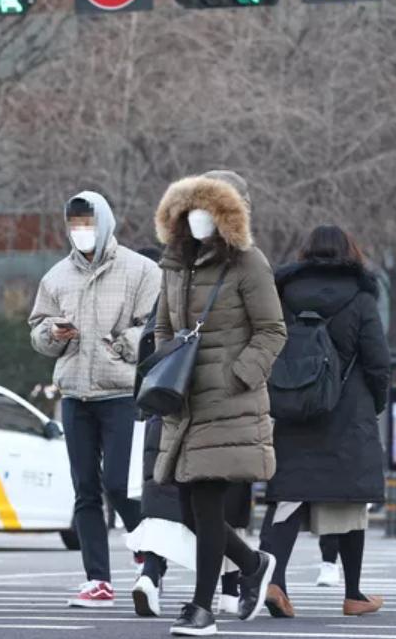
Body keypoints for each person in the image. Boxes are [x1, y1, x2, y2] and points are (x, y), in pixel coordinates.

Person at [151, 171, 286, 636]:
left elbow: (273, 331)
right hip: (182, 401)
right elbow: (163, 327)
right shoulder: (175, 264)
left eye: (209, 211)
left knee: (207, 504)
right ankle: (252, 565)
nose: (198, 220)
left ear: (230, 215)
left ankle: (202, 607)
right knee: (189, 509)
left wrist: (238, 376)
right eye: (191, 211)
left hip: (227, 402)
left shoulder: (249, 264)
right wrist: (163, 367)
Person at [29, 192, 161, 608]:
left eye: (87, 223)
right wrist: (52, 333)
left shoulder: (141, 270)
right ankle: (97, 580)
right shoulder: (55, 277)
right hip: (75, 394)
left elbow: (157, 328)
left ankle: (152, 553)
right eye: (73, 224)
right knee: (85, 489)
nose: (80, 231)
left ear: (104, 222)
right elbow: (36, 331)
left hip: (120, 392)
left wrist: (122, 344)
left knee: (118, 485)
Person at [260, 225, 391, 618]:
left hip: (294, 407)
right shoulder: (362, 298)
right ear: (350, 253)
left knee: (286, 497)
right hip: (348, 413)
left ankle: (274, 581)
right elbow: (378, 361)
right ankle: (353, 593)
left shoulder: (283, 295)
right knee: (351, 501)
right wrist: (375, 404)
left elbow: (269, 345)